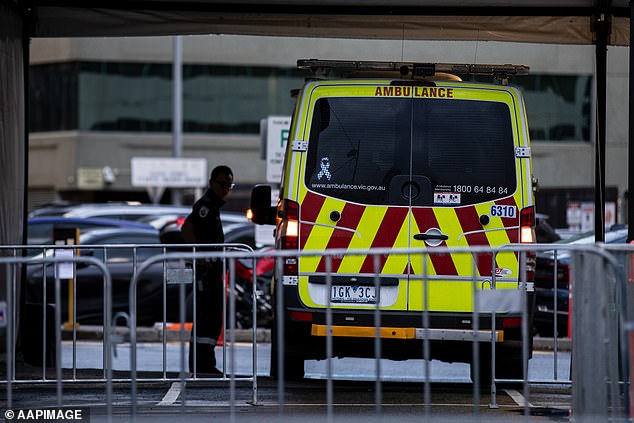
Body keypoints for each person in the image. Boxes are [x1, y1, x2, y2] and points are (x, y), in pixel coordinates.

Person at [181, 165, 234, 375]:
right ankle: (202, 366)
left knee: (210, 317)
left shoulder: (212, 206)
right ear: (211, 183)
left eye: (229, 185)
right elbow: (186, 229)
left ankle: (203, 364)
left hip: (212, 271)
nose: (226, 189)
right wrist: (201, 257)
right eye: (222, 184)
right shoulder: (206, 207)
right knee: (207, 317)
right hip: (206, 272)